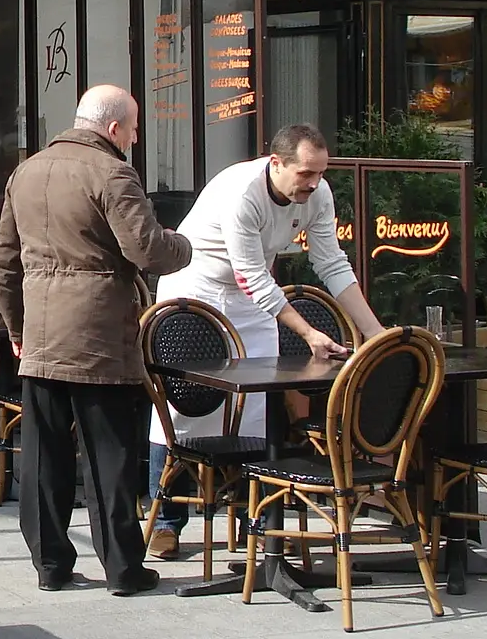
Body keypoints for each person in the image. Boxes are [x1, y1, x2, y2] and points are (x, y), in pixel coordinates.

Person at [145, 123, 384, 560]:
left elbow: (332, 263)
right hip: (196, 288)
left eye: (319, 173)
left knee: (254, 410)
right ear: (276, 163)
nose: (313, 183)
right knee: (183, 408)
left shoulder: (318, 194)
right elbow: (251, 275)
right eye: (305, 174)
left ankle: (252, 519)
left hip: (253, 298)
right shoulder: (243, 192)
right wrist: (310, 333)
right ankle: (166, 522)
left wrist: (376, 333)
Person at [0, 85, 192, 596]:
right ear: (115, 128)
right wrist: (185, 245)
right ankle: (123, 568)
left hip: (39, 338)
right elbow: (147, 250)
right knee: (110, 456)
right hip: (100, 337)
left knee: (43, 456)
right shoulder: (113, 173)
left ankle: (51, 565)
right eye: (136, 126)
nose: (138, 136)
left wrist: (16, 330)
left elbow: (2, 264)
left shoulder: (27, 171)